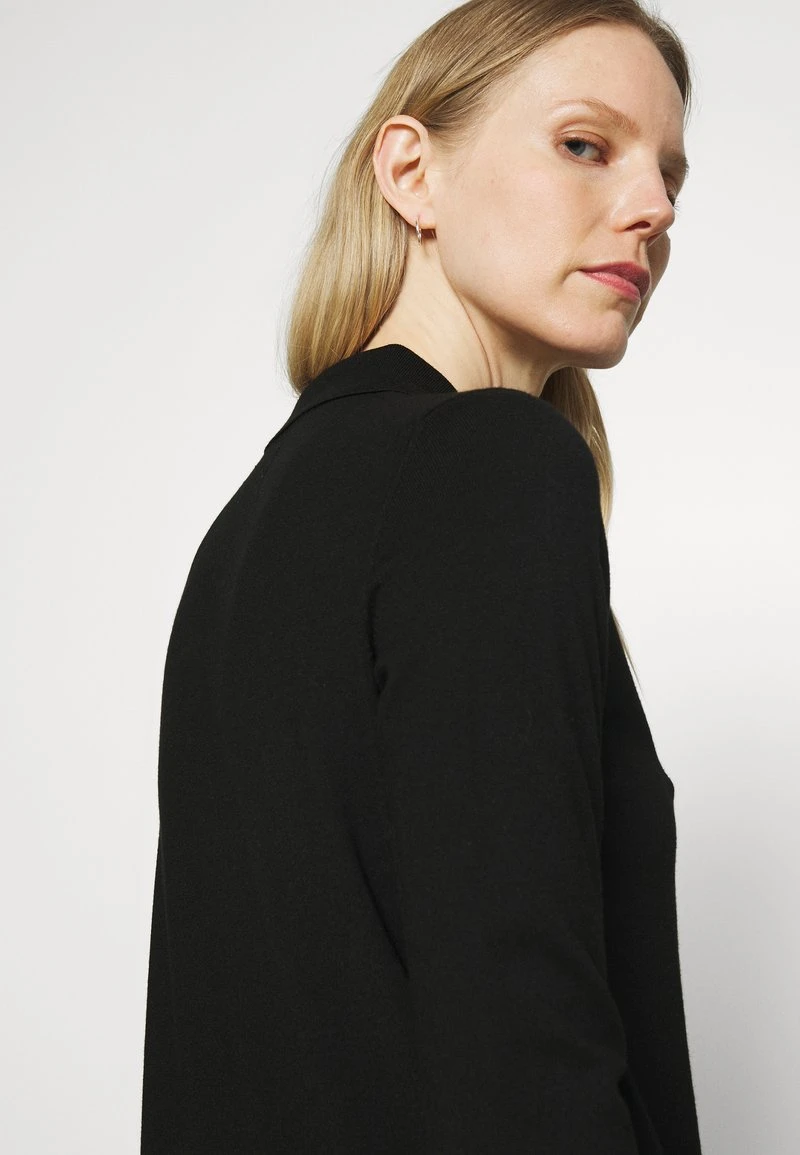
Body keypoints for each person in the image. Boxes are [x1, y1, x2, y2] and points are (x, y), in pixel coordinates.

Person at [140, 1, 704, 1151]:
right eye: (584, 144)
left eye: (667, 177)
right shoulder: (489, 465)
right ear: (411, 172)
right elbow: (521, 1033)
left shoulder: (250, 529)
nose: (649, 208)